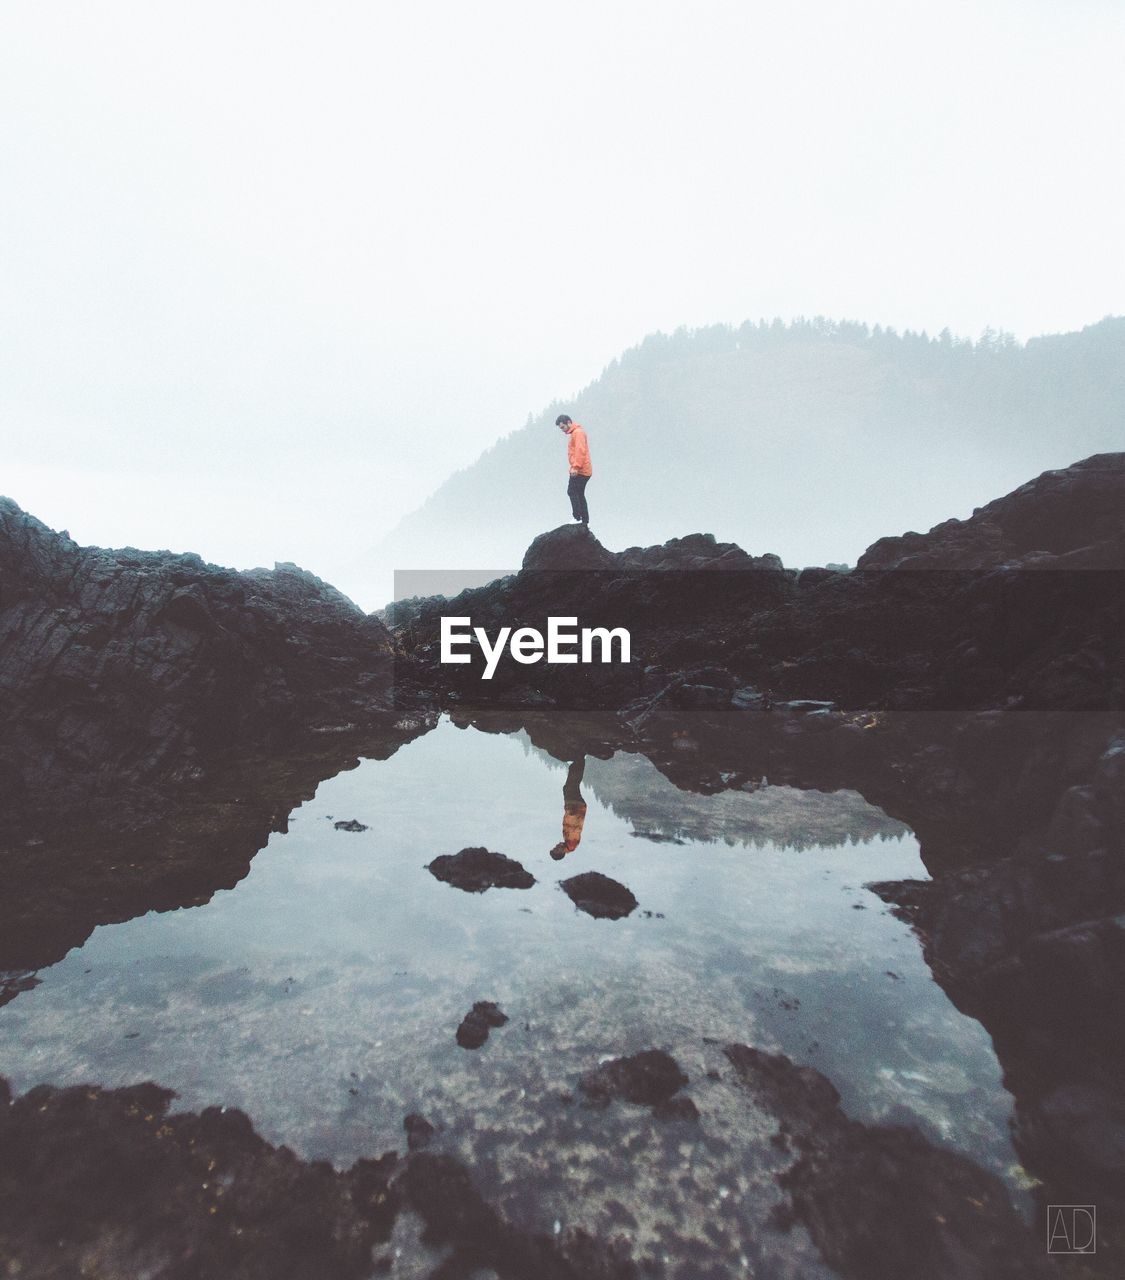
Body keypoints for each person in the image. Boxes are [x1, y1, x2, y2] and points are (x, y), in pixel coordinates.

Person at [555, 414, 592, 525]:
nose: (562, 430)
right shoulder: (576, 433)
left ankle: (577, 518)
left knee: (572, 491)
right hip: (583, 469)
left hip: (580, 470)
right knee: (579, 494)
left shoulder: (578, 433)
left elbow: (580, 451)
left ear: (569, 422)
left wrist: (575, 467)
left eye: (563, 427)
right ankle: (584, 522)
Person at [549, 757, 588, 860]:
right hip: (575, 808)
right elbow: (574, 828)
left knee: (570, 787)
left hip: (574, 807)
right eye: (556, 849)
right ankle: (579, 762)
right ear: (561, 853)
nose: (557, 845)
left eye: (555, 847)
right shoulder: (571, 844)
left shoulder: (568, 844)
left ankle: (578, 763)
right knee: (570, 787)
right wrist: (570, 812)